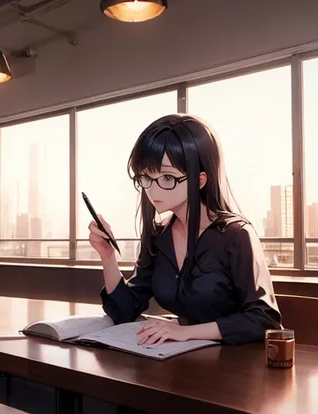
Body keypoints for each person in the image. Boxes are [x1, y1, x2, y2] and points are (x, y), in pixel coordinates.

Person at [88, 114, 281, 346]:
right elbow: (125, 311)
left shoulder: (236, 235)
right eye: (146, 177)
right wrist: (108, 257)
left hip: (236, 365)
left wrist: (186, 331)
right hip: (179, 360)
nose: (153, 190)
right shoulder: (159, 236)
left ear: (199, 181)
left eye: (167, 177)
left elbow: (264, 320)